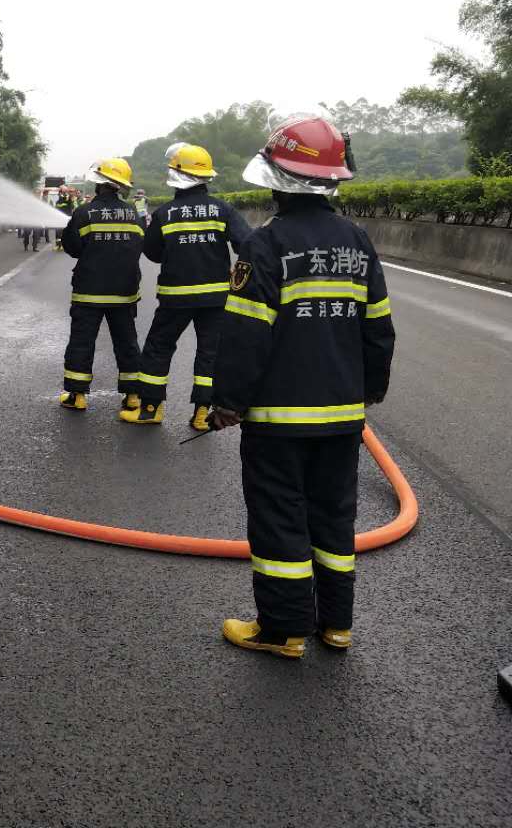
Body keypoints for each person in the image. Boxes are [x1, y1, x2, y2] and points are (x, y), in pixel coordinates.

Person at [208, 116, 395, 659]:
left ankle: (284, 629)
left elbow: (244, 336)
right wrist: (370, 390)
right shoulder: (358, 243)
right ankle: (336, 625)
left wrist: (228, 404)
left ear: (277, 180)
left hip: (278, 423)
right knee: (335, 520)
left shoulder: (267, 245)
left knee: (280, 518)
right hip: (341, 419)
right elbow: (378, 327)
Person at [120, 143, 252, 430]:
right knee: (210, 353)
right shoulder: (222, 210)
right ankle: (202, 413)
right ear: (205, 177)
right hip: (216, 298)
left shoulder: (166, 213)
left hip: (174, 299)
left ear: (175, 176)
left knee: (158, 348)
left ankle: (151, 409)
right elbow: (248, 244)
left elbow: (152, 252)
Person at [58, 158, 143, 412]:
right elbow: (141, 245)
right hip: (125, 293)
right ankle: (132, 397)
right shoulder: (134, 213)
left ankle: (77, 395)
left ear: (99, 184)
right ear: (120, 186)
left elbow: (72, 248)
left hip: (89, 292)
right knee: (127, 343)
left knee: (82, 342)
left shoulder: (84, 213)